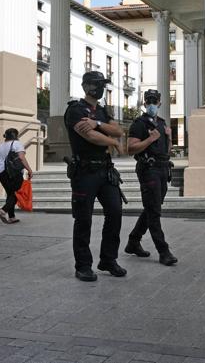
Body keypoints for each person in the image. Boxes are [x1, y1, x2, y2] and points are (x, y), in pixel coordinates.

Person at [64, 71, 126, 282]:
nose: (101, 88)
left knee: (115, 212)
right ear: (87, 86)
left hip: (105, 171)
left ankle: (108, 259)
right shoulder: (75, 110)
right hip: (85, 172)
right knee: (84, 220)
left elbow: (118, 131)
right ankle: (83, 266)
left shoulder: (101, 111)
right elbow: (89, 137)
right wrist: (112, 142)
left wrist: (98, 124)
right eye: (97, 84)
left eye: (102, 85)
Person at [124, 89, 178, 266]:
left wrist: (169, 138)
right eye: (149, 101)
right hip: (149, 169)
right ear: (144, 103)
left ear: (160, 103)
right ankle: (164, 251)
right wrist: (149, 139)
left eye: (155, 101)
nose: (152, 104)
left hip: (163, 169)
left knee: (152, 207)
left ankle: (133, 241)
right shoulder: (139, 123)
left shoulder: (162, 124)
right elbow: (130, 148)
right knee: (154, 211)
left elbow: (168, 151)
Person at [0, 128, 33, 224]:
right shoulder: (17, 144)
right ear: (16, 135)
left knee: (10, 193)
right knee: (17, 192)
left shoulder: (0, 146)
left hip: (0, 173)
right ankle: (3, 211)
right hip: (12, 172)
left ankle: (11, 217)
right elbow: (21, 158)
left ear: (5, 136)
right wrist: (29, 170)